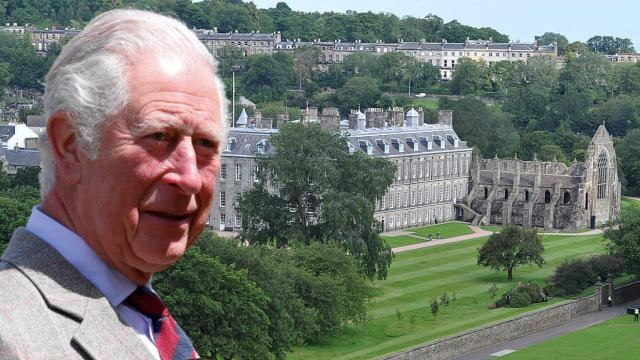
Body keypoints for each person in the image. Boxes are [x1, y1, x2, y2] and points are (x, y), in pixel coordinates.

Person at [0, 9, 228, 359]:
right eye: (158, 136)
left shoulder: (145, 320)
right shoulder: (10, 335)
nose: (189, 177)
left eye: (205, 145)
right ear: (71, 146)